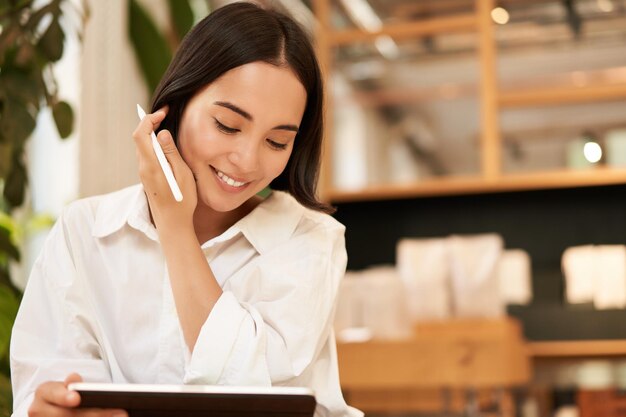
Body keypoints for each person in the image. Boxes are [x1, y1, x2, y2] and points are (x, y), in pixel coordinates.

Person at [10, 2, 362, 417]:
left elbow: (247, 386)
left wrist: (176, 228)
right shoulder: (84, 232)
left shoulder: (309, 242)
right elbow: (48, 387)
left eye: (277, 142)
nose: (247, 160)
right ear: (174, 104)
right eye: (228, 126)